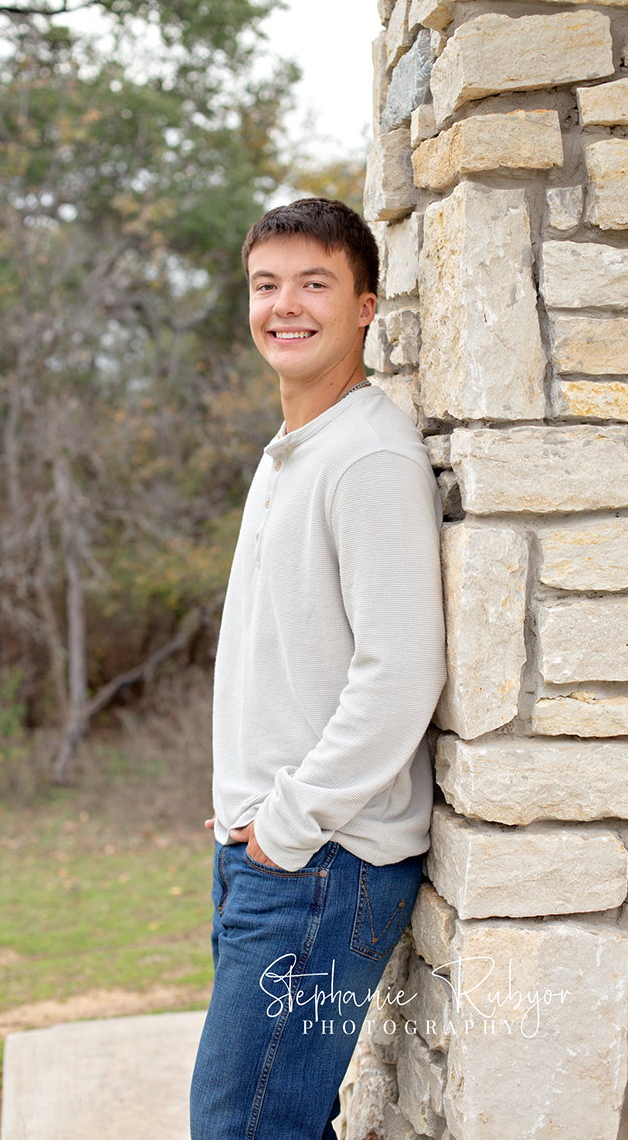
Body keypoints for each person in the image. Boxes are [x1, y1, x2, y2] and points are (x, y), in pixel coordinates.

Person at [189, 197, 445, 1140]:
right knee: (275, 1120)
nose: (284, 305)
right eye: (266, 285)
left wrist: (286, 823)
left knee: (242, 1128)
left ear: (365, 306)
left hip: (321, 863)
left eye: (314, 284)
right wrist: (249, 808)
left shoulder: (367, 457)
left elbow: (399, 673)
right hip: (276, 854)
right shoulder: (294, 452)